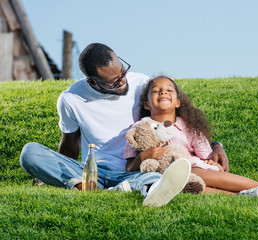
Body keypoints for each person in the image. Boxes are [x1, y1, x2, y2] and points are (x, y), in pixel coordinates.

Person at [19, 43, 228, 206]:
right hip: (93, 171)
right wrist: (51, 170)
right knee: (29, 153)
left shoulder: (139, 83)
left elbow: (173, 118)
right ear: (92, 82)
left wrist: (215, 145)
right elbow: (69, 146)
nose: (123, 82)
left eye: (123, 73)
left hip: (135, 170)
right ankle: (96, 187)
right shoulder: (71, 99)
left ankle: (124, 189)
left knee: (156, 178)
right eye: (114, 82)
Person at [124, 76, 258, 197]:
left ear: (177, 103)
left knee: (193, 171)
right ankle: (240, 195)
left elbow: (206, 155)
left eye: (169, 90)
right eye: (156, 91)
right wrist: (143, 157)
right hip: (162, 176)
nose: (163, 92)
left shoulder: (188, 127)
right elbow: (129, 168)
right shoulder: (140, 129)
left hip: (192, 167)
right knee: (183, 185)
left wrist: (211, 162)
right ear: (146, 104)